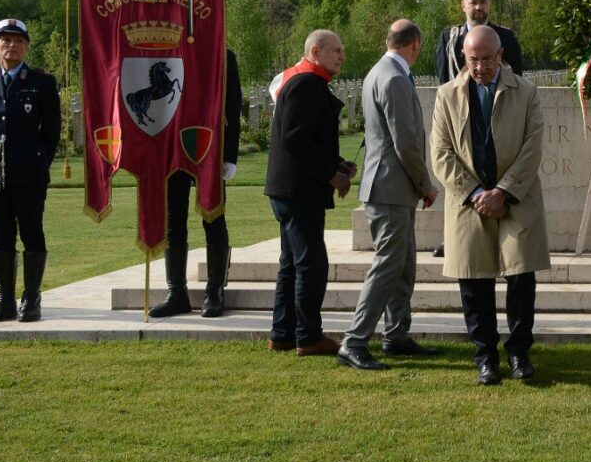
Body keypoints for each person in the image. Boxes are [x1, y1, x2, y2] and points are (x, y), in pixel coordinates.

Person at [430, 25, 549, 385]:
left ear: (500, 56)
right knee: (473, 281)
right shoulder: (447, 95)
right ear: (463, 58)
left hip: (516, 199)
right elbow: (440, 153)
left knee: (521, 278)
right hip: (469, 202)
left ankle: (519, 352)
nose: (479, 67)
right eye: (472, 60)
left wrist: (503, 191)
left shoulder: (526, 92)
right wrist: (475, 193)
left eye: (486, 59)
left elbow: (532, 148)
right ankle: (485, 356)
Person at [337, 20, 441, 370]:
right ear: (415, 45)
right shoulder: (395, 78)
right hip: (390, 187)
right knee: (387, 266)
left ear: (388, 42)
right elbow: (405, 141)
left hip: (391, 188)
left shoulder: (378, 72)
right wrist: (425, 184)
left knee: (403, 265)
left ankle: (396, 335)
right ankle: (354, 341)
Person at [264, 30, 354, 357]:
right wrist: (331, 175)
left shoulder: (306, 81)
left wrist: (337, 163)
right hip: (298, 192)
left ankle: (282, 333)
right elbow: (295, 140)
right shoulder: (305, 84)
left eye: (342, 50)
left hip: (290, 189)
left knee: (291, 263)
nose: (342, 56)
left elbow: (306, 139)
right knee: (311, 264)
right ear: (315, 51)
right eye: (336, 50)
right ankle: (308, 336)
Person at [431, 0, 524, 259]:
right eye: (473, 2)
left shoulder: (504, 36)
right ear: (463, 5)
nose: (478, 7)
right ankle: (453, 238)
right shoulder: (449, 38)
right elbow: (443, 79)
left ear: (489, 4)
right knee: (458, 177)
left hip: (497, 116)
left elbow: (517, 79)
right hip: (462, 118)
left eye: (483, 2)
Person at [0, 18, 60, 323]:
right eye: (6, 40)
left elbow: (51, 132)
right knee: (1, 236)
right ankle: (5, 302)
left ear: (26, 47)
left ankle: (31, 299)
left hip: (29, 172)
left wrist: (39, 163)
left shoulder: (41, 82)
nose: (12, 45)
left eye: (18, 41)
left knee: (31, 233)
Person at [150, 49, 242, 319]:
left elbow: (232, 105)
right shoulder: (166, 50)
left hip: (207, 146)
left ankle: (215, 291)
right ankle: (176, 291)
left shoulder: (221, 54)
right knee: (173, 220)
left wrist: (230, 156)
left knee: (213, 217)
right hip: (171, 148)